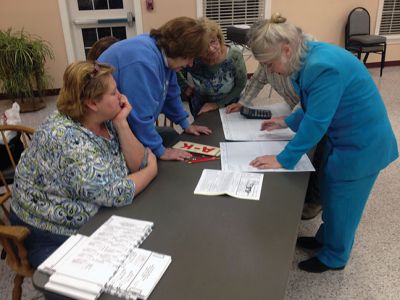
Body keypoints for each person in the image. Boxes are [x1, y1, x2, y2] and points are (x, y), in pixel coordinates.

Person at [247, 14, 398, 273]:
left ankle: (335, 257)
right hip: (342, 137)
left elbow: (316, 123)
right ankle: (324, 239)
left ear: (285, 49)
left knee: (343, 203)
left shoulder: (322, 66)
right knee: (329, 191)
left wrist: (283, 159)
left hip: (362, 146)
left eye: (270, 64)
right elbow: (314, 105)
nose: (269, 70)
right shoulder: (306, 56)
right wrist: (287, 122)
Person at [9, 61, 158, 267]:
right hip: (46, 230)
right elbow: (115, 192)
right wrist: (152, 168)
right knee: (128, 263)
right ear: (92, 103)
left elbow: (136, 165)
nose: (122, 97)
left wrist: (122, 123)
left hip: (92, 212)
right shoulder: (65, 138)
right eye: (114, 92)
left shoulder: (102, 118)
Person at [98, 17, 212, 161]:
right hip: (106, 136)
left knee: (171, 136)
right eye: (189, 58)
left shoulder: (164, 54)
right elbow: (139, 115)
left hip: (124, 126)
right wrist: (161, 151)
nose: (190, 64)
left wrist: (185, 124)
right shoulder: (143, 60)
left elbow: (171, 93)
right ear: (180, 50)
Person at [225, 52, 322, 221]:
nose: (267, 68)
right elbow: (256, 81)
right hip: (295, 110)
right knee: (289, 147)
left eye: (269, 64)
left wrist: (290, 120)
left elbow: (309, 104)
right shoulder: (267, 63)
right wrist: (243, 103)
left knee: (311, 156)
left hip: (309, 110)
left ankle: (313, 200)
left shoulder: (303, 67)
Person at [178, 17, 247, 118]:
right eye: (204, 46)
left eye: (213, 41)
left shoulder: (234, 55)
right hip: (201, 105)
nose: (211, 49)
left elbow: (240, 85)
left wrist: (217, 104)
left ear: (219, 38)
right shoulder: (193, 57)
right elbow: (174, 70)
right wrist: (184, 86)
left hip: (229, 105)